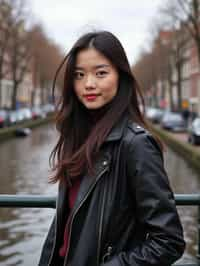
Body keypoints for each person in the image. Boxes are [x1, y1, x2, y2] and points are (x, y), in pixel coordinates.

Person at [38, 31, 185, 266]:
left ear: (120, 76)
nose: (88, 83)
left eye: (101, 73)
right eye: (79, 74)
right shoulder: (76, 137)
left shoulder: (136, 144)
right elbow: (64, 225)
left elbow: (168, 241)